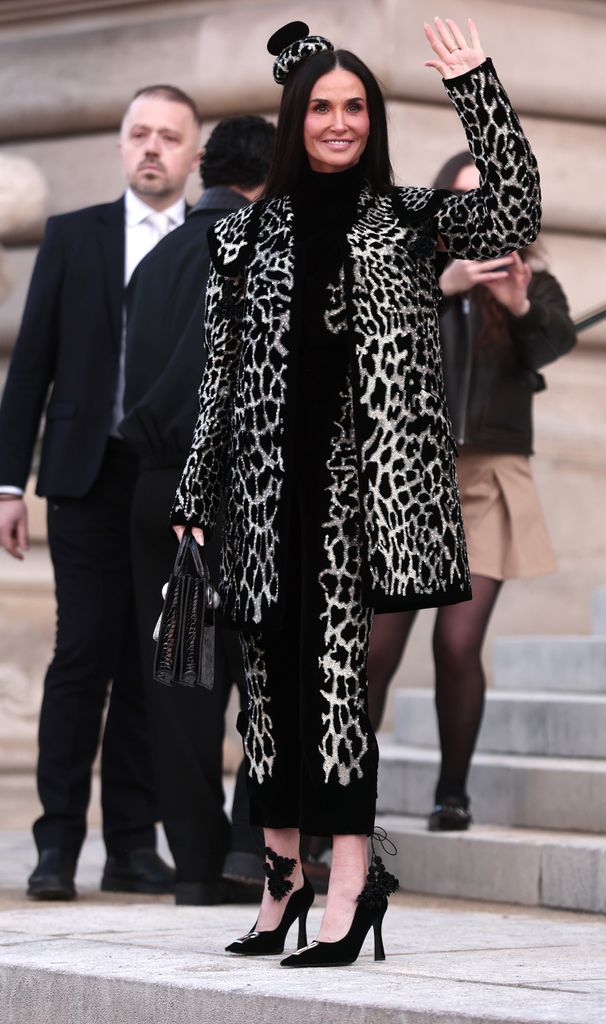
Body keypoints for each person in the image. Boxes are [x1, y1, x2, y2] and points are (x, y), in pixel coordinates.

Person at [170, 17, 540, 967]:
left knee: (335, 693)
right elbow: (218, 376)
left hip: (358, 504)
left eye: (356, 108)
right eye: (323, 107)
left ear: (373, 122)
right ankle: (280, 877)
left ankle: (348, 884)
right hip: (259, 500)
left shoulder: (411, 216)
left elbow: (513, 212)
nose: (339, 122)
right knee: (268, 701)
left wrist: (479, 89)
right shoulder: (240, 237)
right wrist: (194, 493)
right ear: (296, 120)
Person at [0, 84, 201, 900]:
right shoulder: (72, 236)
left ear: (193, 153)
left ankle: (131, 846)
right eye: (138, 134)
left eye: (169, 136)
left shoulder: (218, 240)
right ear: (122, 146)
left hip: (173, 484)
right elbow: (29, 368)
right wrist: (8, 482)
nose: (151, 147)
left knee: (152, 665)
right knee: (80, 656)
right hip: (84, 476)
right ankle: (56, 847)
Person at [367, 150, 576, 832]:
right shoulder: (412, 276)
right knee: (374, 647)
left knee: (457, 643)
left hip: (490, 478)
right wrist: (440, 285)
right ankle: (342, 796)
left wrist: (516, 306)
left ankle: (451, 791)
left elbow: (554, 346)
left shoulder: (535, 288)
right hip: (412, 475)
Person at [121, 115, 276, 905]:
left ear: (207, 169)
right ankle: (254, 845)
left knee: (180, 680)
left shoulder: (154, 262)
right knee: (274, 669)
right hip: (238, 490)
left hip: (154, 488)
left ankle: (196, 868)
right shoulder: (266, 248)